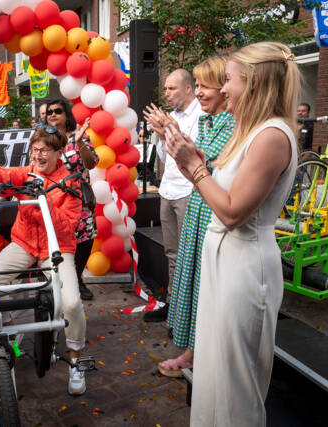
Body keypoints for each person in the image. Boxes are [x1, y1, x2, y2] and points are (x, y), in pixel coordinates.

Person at [166, 41, 299, 425]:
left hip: (244, 267)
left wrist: (194, 168)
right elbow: (225, 188)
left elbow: (232, 212)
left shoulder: (271, 136)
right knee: (213, 372)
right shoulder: (251, 130)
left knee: (235, 386)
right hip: (223, 262)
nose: (223, 89)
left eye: (229, 80)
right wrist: (198, 159)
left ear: (254, 83)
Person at [0, 128, 89, 396]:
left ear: (58, 152)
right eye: (35, 150)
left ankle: (76, 361)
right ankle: (5, 335)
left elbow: (69, 225)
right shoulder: (26, 173)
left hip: (57, 246)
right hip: (24, 242)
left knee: (71, 302)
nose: (38, 155)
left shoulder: (70, 182)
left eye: (44, 150)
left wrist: (45, 203)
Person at [144, 57, 235, 377]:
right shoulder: (210, 120)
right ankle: (182, 324)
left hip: (198, 197)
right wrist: (165, 133)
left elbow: (202, 161)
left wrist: (173, 131)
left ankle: (198, 348)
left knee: (198, 271)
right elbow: (176, 157)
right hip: (176, 191)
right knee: (182, 263)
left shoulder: (221, 120)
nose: (199, 92)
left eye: (203, 85)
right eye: (197, 86)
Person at [142, 68, 202, 321]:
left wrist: (171, 130)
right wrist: (160, 133)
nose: (166, 94)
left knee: (190, 255)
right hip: (168, 190)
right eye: (165, 88)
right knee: (172, 253)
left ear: (188, 88)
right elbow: (165, 159)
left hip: (189, 191)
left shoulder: (200, 114)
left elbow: (193, 157)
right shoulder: (170, 117)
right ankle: (172, 304)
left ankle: (188, 311)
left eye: (172, 88)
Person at [45, 99, 99, 301]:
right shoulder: (44, 140)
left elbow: (91, 163)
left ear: (67, 115)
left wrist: (78, 143)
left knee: (84, 240)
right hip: (54, 199)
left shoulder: (79, 136)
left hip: (80, 198)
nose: (52, 114)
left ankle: (77, 279)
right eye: (49, 111)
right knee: (57, 242)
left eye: (58, 111)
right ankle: (60, 282)